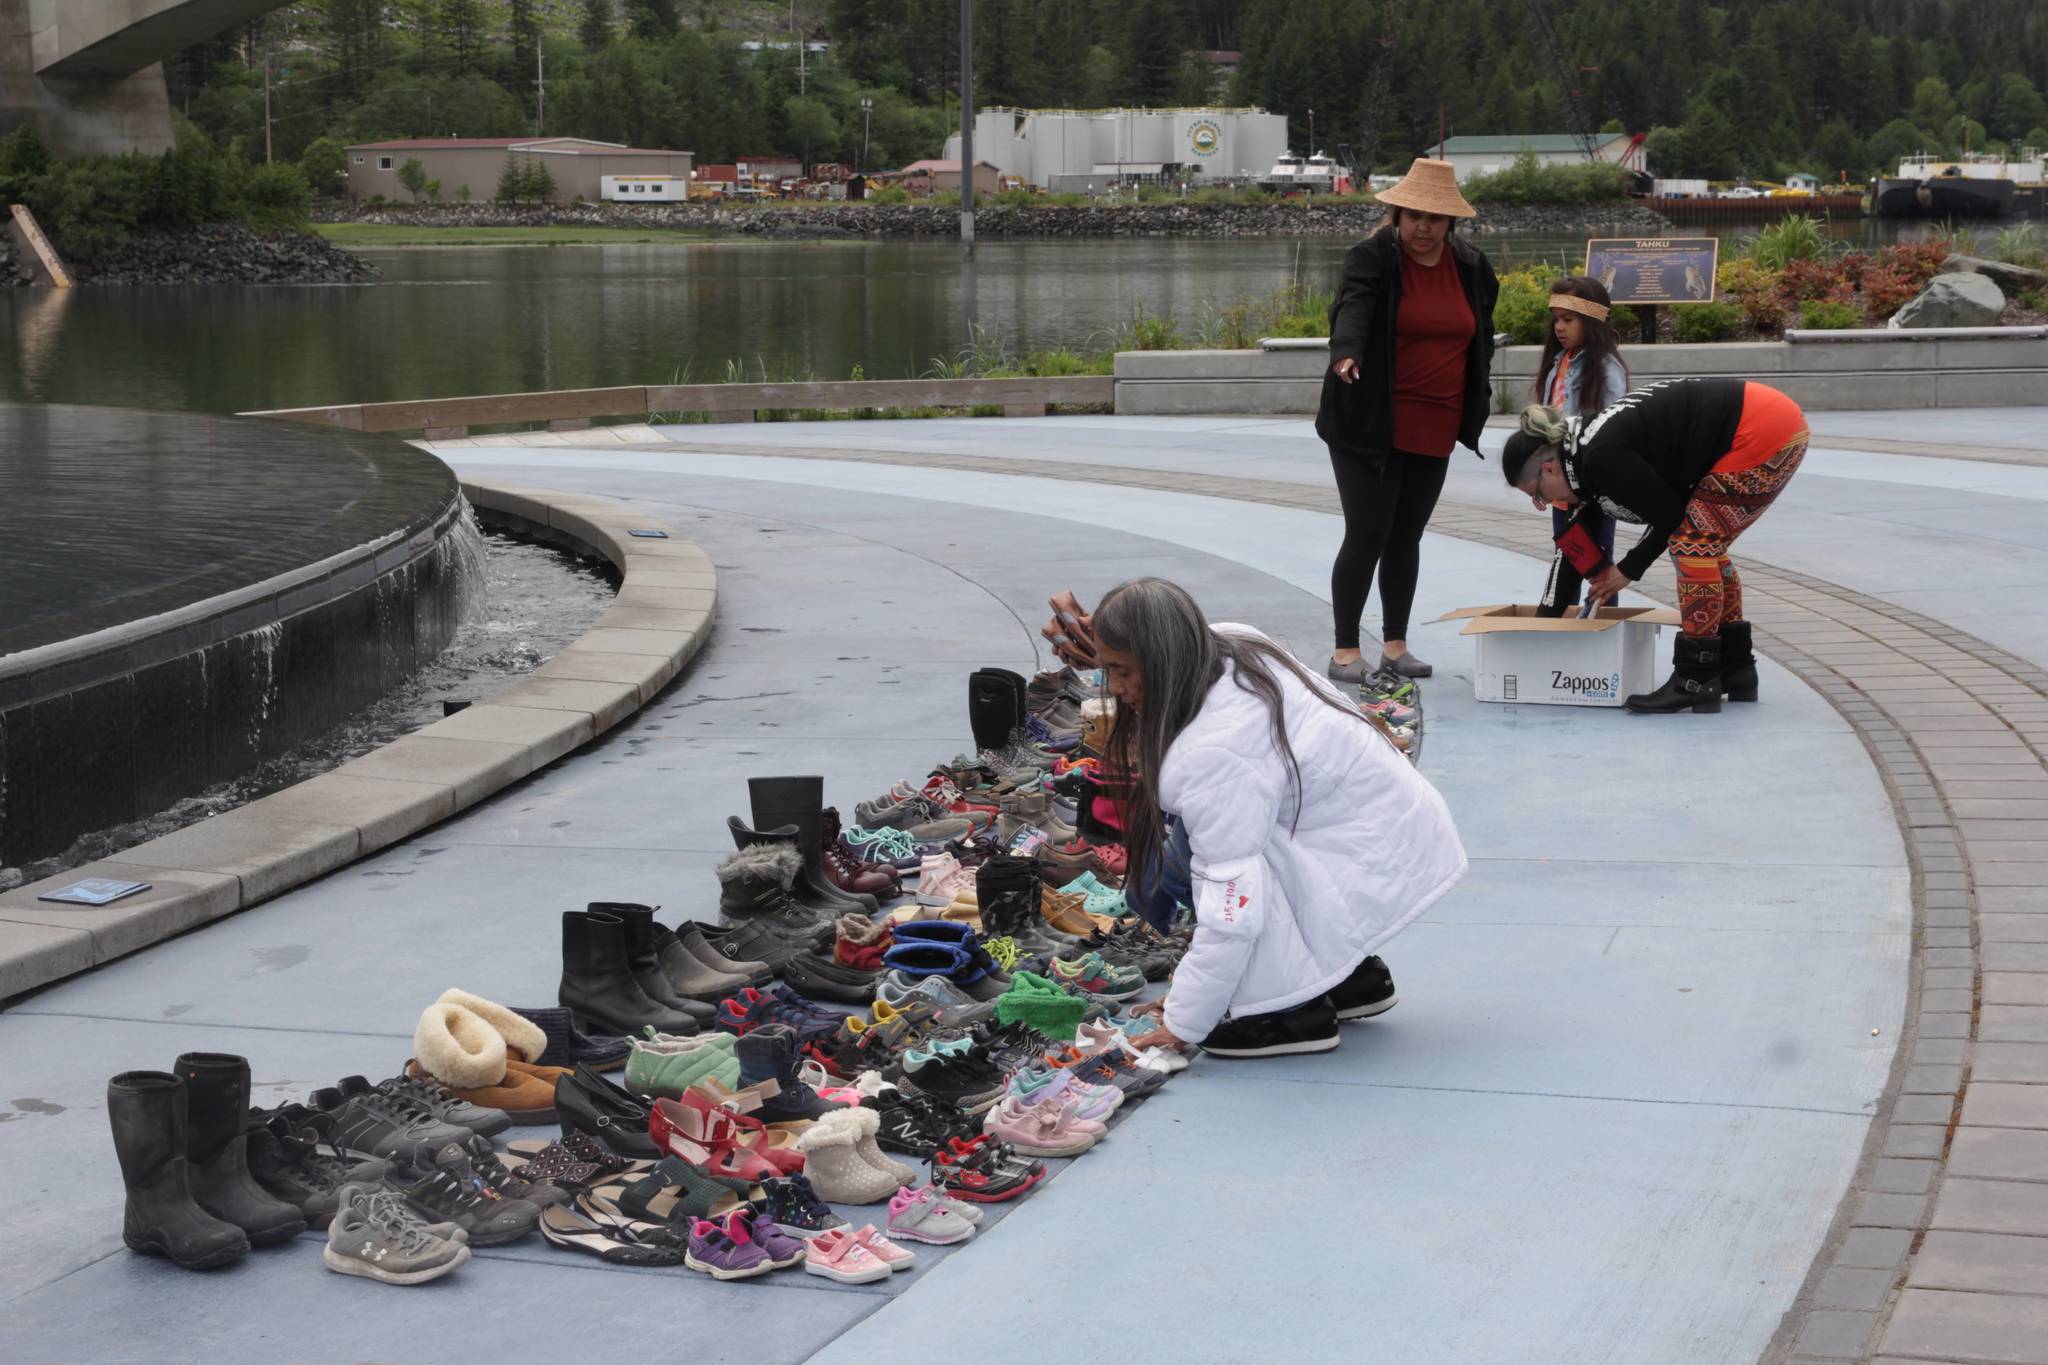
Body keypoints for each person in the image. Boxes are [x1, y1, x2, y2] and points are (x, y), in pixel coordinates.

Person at [1052, 578, 1466, 1059]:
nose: (1117, 691)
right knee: (1189, 850)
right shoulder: (1231, 643)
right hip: (1390, 829)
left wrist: (1187, 1019)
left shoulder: (1215, 752)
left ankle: (1287, 1016)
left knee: (1223, 872)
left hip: (1370, 853)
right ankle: (1352, 980)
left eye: (1122, 671)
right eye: (1108, 670)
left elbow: (1231, 910)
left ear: (1162, 660)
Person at [1500, 378, 1810, 714]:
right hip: (1767, 421)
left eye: (1538, 495)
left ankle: (1696, 678)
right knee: (1706, 545)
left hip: (1763, 431)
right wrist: (1538, 636)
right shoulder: (1580, 458)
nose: (1543, 504)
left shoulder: (1602, 458)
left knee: (1692, 544)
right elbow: (1573, 551)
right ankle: (1735, 668)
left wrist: (1627, 570)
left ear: (1548, 468)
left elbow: (1669, 513)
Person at [1315, 157, 1500, 684]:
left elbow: (1479, 332)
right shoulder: (1372, 257)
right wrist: (1345, 352)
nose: (1423, 227)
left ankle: (1395, 646)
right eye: (1413, 215)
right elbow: (1353, 307)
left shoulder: (1470, 266)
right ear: (1397, 214)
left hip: (1437, 421)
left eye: (1434, 218)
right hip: (1369, 418)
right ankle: (1345, 651)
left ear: (1451, 223)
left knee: (1407, 534)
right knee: (1369, 529)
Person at [1530, 276, 1629, 616]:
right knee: (1571, 555)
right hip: (1561, 486)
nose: (1559, 327)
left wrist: (1597, 478)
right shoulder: (1559, 364)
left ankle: (1603, 629)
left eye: (1568, 319)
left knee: (1596, 563)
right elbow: (1546, 427)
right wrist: (1540, 477)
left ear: (1592, 320)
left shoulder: (1605, 368)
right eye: (1556, 319)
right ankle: (1567, 629)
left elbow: (1615, 427)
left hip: (1592, 487)